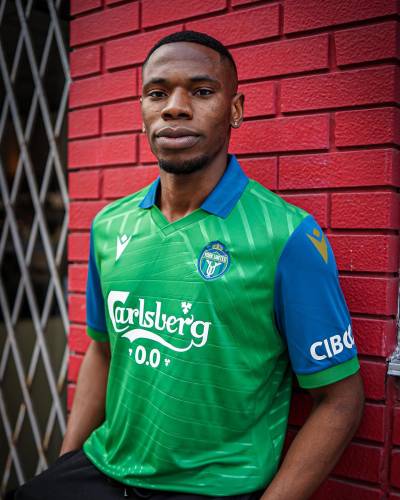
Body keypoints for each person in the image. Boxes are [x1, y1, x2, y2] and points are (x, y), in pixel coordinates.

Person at [15, 30, 364, 500]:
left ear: (235, 110)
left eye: (201, 91)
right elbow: (103, 350)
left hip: (210, 489)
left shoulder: (286, 235)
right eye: (157, 93)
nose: (175, 108)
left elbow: (340, 401)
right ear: (142, 110)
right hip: (103, 468)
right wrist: (66, 464)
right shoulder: (109, 225)